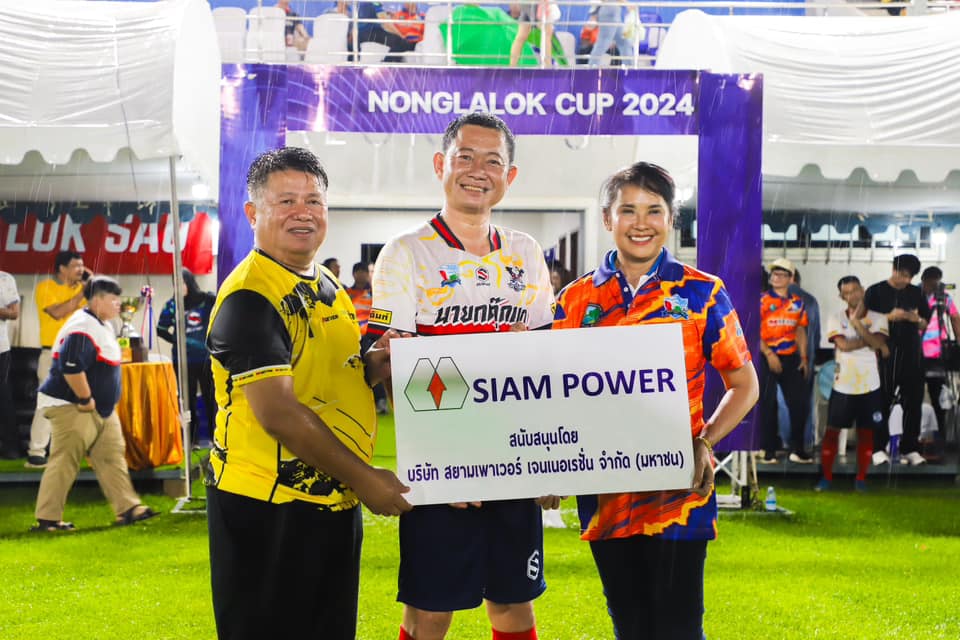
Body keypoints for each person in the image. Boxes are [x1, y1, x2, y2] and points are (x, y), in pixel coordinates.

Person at [204, 147, 411, 640]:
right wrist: (366, 478)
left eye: (313, 201)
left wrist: (374, 366)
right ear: (253, 212)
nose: (303, 212)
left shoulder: (328, 283)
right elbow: (280, 414)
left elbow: (330, 375)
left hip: (331, 500)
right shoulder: (250, 297)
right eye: (286, 201)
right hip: (266, 507)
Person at [368, 112, 557, 640]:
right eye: (464, 157)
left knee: (514, 607)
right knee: (430, 614)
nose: (478, 171)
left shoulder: (526, 253)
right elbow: (392, 363)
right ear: (440, 165)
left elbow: (545, 362)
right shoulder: (405, 252)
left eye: (492, 161)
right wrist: (442, 464)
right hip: (441, 462)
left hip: (515, 457)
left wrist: (549, 459)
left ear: (509, 175)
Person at [552, 161, 758, 639]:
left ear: (670, 218)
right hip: (605, 495)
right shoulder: (575, 300)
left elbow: (744, 384)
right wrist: (553, 463)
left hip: (678, 493)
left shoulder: (702, 292)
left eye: (654, 210)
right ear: (607, 218)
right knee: (630, 625)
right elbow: (557, 391)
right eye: (628, 210)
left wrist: (705, 442)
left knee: (679, 627)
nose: (640, 223)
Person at [31, 276, 157, 532]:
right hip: (73, 405)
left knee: (111, 456)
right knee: (65, 460)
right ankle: (48, 519)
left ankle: (128, 508)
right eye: (113, 299)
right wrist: (85, 398)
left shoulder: (100, 323)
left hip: (99, 409)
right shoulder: (81, 327)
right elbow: (70, 366)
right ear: (97, 300)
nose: (118, 304)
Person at [816, 276, 888, 492]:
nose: (852, 295)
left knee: (866, 432)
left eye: (855, 290)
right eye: (846, 292)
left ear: (862, 290)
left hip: (870, 384)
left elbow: (878, 342)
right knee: (832, 431)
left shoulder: (879, 318)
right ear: (841, 296)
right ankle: (826, 477)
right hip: (843, 384)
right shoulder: (835, 318)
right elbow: (844, 346)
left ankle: (861, 479)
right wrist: (871, 342)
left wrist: (857, 324)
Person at [865, 254, 930, 466]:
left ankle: (910, 448)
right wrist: (889, 317)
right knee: (881, 401)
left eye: (910, 277)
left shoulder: (916, 293)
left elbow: (924, 323)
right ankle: (877, 447)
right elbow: (864, 321)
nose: (905, 280)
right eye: (903, 274)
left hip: (912, 354)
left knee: (913, 402)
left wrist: (915, 319)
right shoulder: (875, 291)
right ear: (894, 269)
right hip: (885, 353)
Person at [26, 250, 89, 468]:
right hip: (53, 354)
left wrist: (92, 284)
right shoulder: (46, 287)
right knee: (47, 403)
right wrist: (82, 294)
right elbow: (58, 312)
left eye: (82, 266)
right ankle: (36, 451)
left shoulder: (83, 290)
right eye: (76, 266)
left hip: (79, 354)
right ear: (62, 268)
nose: (81, 270)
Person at [758, 257, 813, 464]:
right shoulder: (761, 301)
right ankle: (769, 450)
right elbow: (752, 331)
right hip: (766, 356)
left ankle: (797, 449)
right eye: (774, 274)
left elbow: (800, 330)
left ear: (791, 279)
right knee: (768, 403)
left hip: (791, 357)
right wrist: (769, 354)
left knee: (800, 403)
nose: (776, 277)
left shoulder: (797, 303)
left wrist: (804, 357)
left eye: (782, 274)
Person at [156, 269, 217, 448]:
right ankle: (191, 440)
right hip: (183, 361)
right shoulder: (172, 305)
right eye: (175, 284)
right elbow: (161, 329)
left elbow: (221, 319)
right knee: (187, 401)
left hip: (206, 359)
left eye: (181, 283)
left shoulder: (207, 300)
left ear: (189, 282)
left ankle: (216, 438)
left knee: (211, 399)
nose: (179, 287)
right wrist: (177, 340)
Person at [919, 266, 960, 457]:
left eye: (936, 283)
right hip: (915, 355)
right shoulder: (913, 294)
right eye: (930, 283)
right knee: (912, 399)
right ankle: (912, 442)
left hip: (937, 356)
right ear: (923, 280)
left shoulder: (944, 297)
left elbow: (955, 318)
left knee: (938, 401)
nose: (933, 287)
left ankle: (939, 442)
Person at [345, 261, 389, 414]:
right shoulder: (347, 293)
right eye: (359, 272)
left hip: (370, 337)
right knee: (354, 370)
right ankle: (356, 403)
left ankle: (380, 401)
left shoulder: (375, 293)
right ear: (354, 274)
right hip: (352, 337)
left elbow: (382, 313)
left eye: (364, 272)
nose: (362, 275)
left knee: (374, 367)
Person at [0, 270, 21, 459]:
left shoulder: (5, 278)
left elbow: (14, 313)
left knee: (4, 398)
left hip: (0, 349)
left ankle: (11, 447)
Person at [509, 0, 558, 66]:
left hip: (527, 4)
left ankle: (512, 65)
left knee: (521, 36)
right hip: (534, 4)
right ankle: (548, 66)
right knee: (547, 32)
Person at [587, 0, 635, 68]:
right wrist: (626, 4)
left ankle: (629, 67)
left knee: (624, 42)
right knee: (603, 42)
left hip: (614, 10)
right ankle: (592, 67)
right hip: (610, 10)